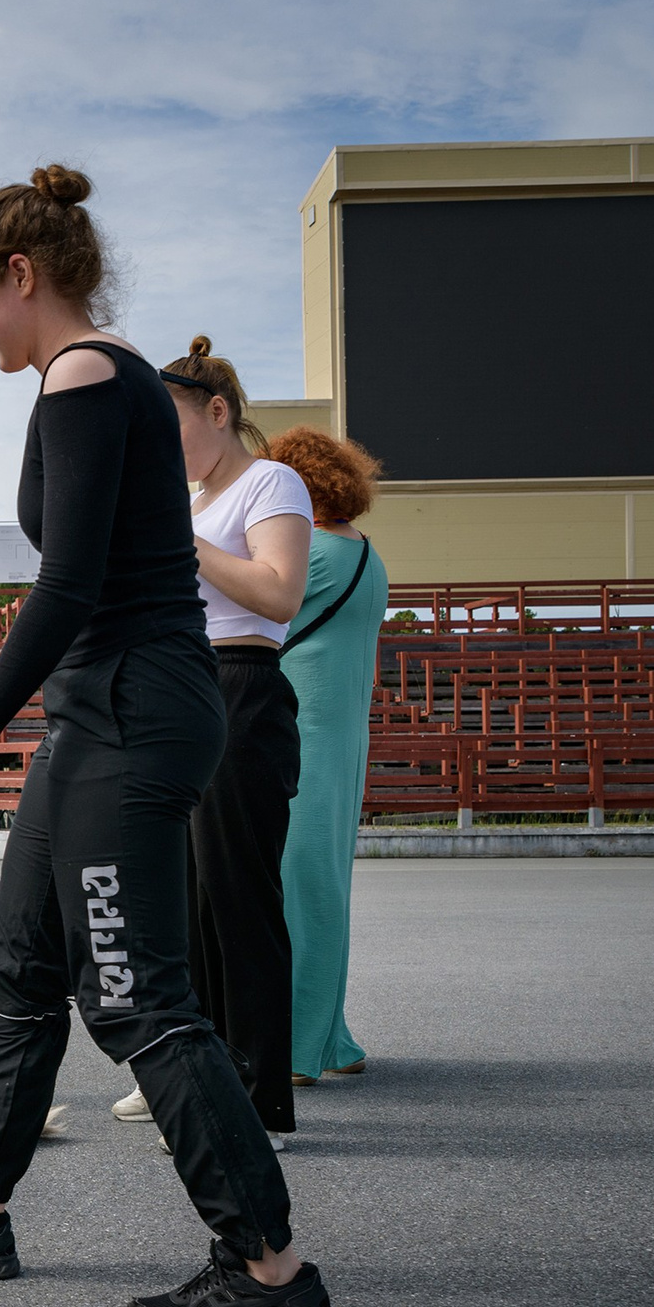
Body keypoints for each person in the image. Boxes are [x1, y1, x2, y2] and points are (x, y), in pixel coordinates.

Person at [0, 166, 337, 1307]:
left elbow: (65, 588)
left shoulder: (80, 378)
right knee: (21, 964)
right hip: (100, 711)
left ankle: (269, 1270)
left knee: (135, 993)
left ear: (23, 276)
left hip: (130, 709)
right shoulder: (98, 376)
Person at [141, 335, 313, 1144]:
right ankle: (197, 1072)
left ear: (218, 412)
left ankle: (260, 1094)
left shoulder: (269, 480)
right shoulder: (187, 497)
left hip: (242, 686)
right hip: (181, 691)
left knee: (238, 900)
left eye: (169, 423)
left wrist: (188, 545)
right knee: (181, 901)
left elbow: (278, 595)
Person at [267, 425, 388, 1086]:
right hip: (342, 742)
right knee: (325, 887)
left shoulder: (309, 552)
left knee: (296, 888)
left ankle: (299, 1047)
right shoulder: (366, 552)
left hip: (299, 737)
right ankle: (332, 1035)